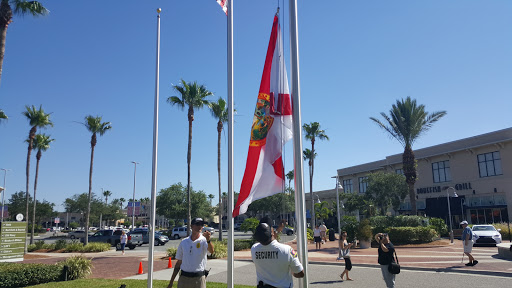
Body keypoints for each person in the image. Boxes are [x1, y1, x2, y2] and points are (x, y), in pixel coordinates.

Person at [251, 222, 304, 288]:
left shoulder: (254, 249)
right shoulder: (286, 250)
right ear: (272, 233)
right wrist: (292, 272)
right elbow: (300, 273)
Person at [167, 218, 214, 288]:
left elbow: (211, 251)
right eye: (197, 224)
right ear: (191, 226)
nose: (200, 226)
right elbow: (179, 262)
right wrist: (171, 282)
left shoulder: (204, 241)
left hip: (199, 279)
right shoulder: (184, 242)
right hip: (184, 279)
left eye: (201, 225)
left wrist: (208, 240)